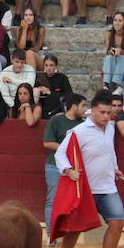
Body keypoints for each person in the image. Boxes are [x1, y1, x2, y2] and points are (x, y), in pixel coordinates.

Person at [53, 92, 124, 248]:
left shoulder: (110, 128)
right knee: (75, 228)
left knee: (117, 222)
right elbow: (60, 154)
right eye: (102, 112)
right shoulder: (78, 132)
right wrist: (69, 170)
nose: (106, 116)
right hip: (85, 189)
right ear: (92, 112)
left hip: (107, 186)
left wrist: (115, 168)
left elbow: (110, 152)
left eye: (108, 113)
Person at [41, 94, 88, 231]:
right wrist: (68, 148)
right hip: (54, 166)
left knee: (74, 201)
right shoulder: (56, 120)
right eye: (83, 105)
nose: (86, 109)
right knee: (53, 201)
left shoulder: (84, 124)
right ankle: (51, 234)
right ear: (74, 107)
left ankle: (69, 231)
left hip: (76, 168)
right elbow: (47, 143)